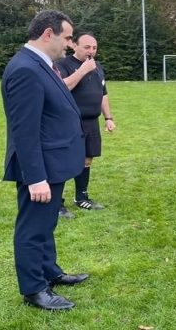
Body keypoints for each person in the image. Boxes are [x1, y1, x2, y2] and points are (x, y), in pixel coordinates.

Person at [1, 10, 90, 311]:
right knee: (32, 228)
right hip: (40, 167)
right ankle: (35, 290)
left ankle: (49, 271)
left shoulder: (42, 64)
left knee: (46, 223)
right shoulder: (26, 68)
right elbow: (23, 131)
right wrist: (35, 177)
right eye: (67, 37)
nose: (70, 44)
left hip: (54, 162)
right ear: (48, 34)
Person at [55, 32, 115, 218]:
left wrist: (108, 118)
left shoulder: (97, 67)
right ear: (74, 45)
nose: (91, 51)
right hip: (69, 121)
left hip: (91, 121)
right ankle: (57, 204)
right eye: (87, 47)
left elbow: (102, 93)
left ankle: (81, 197)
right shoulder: (62, 64)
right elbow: (61, 88)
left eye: (94, 47)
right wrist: (83, 70)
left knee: (87, 160)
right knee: (65, 161)